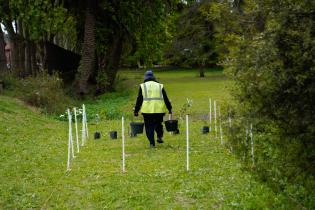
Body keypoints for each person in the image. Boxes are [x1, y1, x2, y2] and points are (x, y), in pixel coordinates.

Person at [134, 70, 172, 148]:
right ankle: (159, 136)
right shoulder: (159, 85)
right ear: (153, 77)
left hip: (147, 111)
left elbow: (139, 99)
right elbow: (165, 98)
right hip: (159, 110)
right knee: (158, 124)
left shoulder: (143, 86)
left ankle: (152, 143)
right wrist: (169, 108)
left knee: (149, 126)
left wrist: (136, 110)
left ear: (145, 77)